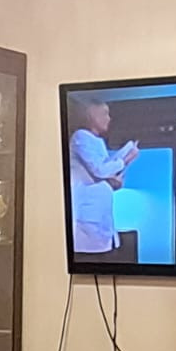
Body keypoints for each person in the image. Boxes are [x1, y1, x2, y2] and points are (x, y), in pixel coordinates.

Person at [70, 98, 139, 253]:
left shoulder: (96, 141)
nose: (109, 119)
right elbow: (100, 170)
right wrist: (124, 159)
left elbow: (103, 173)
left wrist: (117, 175)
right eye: (104, 114)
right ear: (91, 115)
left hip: (101, 219)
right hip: (88, 223)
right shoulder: (81, 137)